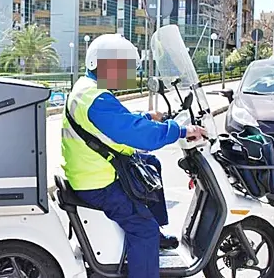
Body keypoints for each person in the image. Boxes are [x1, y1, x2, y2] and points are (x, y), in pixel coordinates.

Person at [61, 34, 207, 278]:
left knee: (151, 163)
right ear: (102, 63)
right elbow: (139, 136)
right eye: (125, 66)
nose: (130, 73)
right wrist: (181, 130)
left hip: (91, 171)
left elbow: (119, 122)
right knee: (143, 229)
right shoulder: (95, 99)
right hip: (98, 183)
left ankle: (156, 235)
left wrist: (146, 116)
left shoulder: (90, 90)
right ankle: (150, 238)